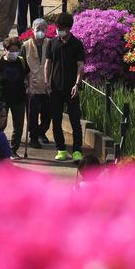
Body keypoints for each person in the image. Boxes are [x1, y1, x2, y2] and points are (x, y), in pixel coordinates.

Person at [44, 12, 86, 162]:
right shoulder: (52, 43)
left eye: (61, 28)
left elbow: (80, 66)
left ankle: (77, 150)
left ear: (68, 28)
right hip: (55, 88)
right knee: (56, 121)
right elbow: (48, 63)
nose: (58, 30)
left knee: (75, 121)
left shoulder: (77, 44)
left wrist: (77, 84)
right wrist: (47, 82)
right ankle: (61, 149)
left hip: (71, 89)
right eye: (57, 28)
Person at [24, 18, 51, 148]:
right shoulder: (25, 46)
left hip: (47, 86)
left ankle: (41, 132)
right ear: (32, 30)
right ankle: (33, 137)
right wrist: (25, 83)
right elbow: (22, 65)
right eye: (37, 29)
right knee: (32, 114)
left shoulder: (50, 44)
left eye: (43, 29)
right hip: (31, 86)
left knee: (47, 115)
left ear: (46, 30)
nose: (40, 31)